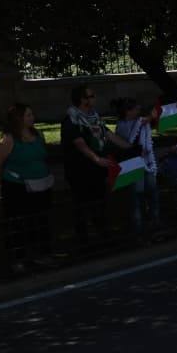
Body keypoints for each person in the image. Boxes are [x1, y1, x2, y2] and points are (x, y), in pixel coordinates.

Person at [61, 84, 131, 241]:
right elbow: (80, 143)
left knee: (99, 202)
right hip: (79, 170)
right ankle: (83, 239)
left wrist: (130, 147)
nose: (94, 98)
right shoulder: (71, 120)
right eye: (91, 96)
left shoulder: (94, 117)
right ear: (82, 99)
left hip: (96, 170)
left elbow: (108, 134)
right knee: (81, 205)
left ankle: (102, 235)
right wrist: (96, 159)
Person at [0, 103, 53, 273]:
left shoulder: (38, 134)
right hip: (17, 188)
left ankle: (41, 253)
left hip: (40, 185)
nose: (32, 117)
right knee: (17, 223)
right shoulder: (8, 139)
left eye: (32, 114)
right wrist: (2, 180)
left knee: (40, 220)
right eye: (28, 115)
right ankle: (18, 258)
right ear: (18, 119)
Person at [114, 97, 162, 238]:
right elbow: (141, 124)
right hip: (133, 165)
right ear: (128, 111)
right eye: (136, 109)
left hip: (146, 162)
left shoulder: (139, 121)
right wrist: (150, 116)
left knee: (152, 192)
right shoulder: (123, 125)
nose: (139, 112)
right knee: (137, 197)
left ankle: (154, 222)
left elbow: (149, 123)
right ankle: (138, 228)